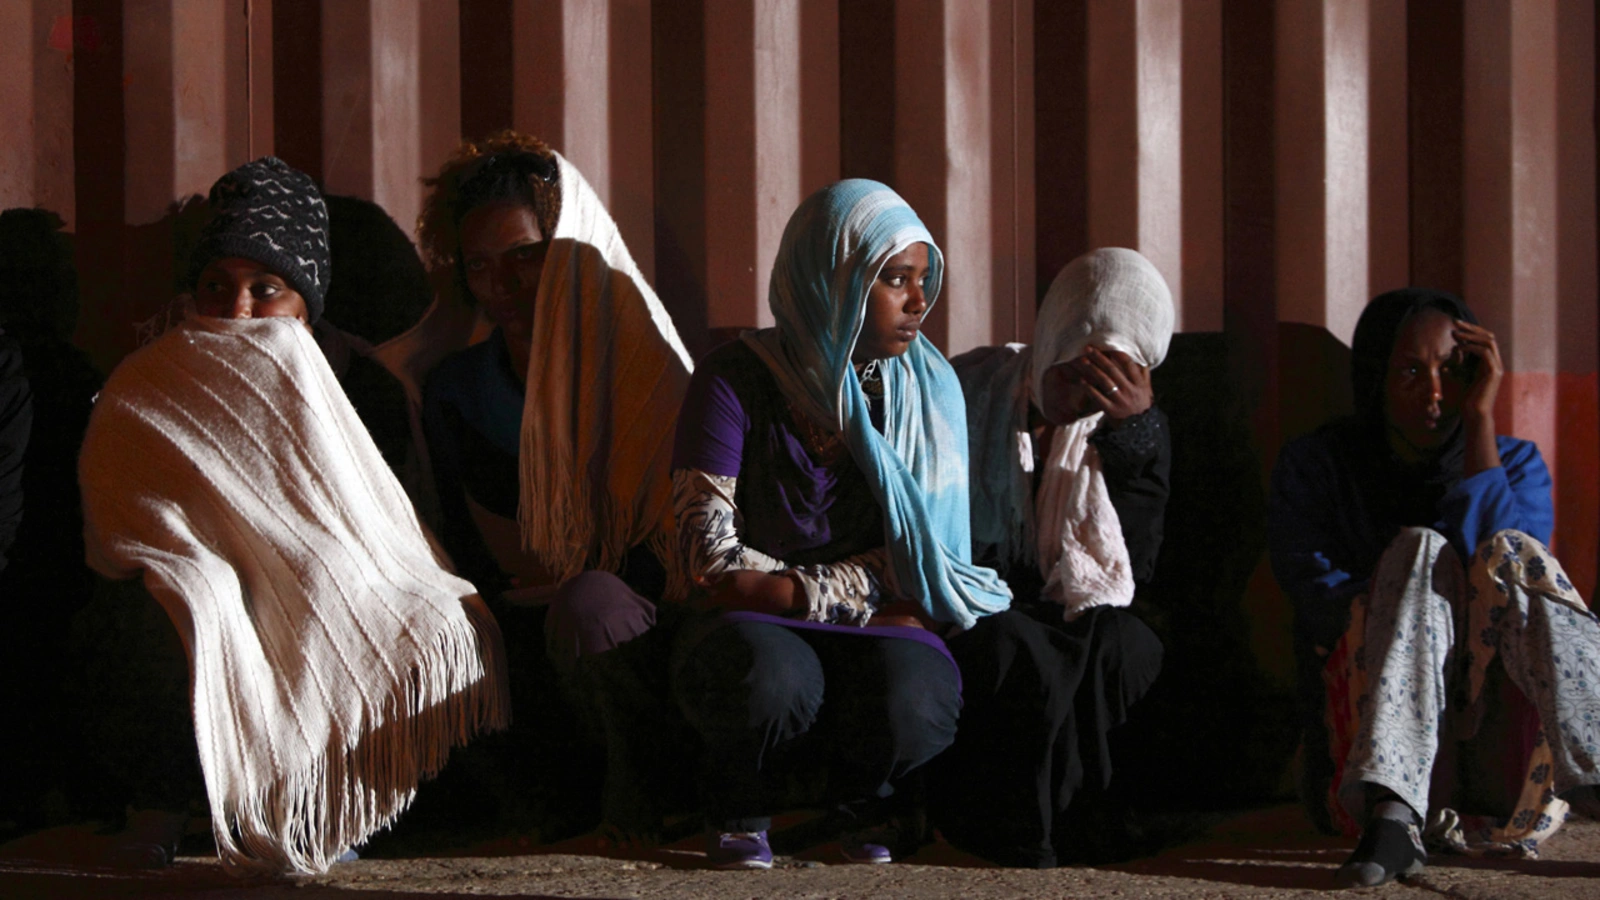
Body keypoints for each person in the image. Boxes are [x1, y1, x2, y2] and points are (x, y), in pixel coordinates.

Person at [77, 157, 508, 873]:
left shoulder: (358, 382)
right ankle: (160, 803)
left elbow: (387, 520)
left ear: (306, 303)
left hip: (330, 573)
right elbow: (121, 497)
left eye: (266, 291)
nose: (238, 311)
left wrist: (307, 558)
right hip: (192, 573)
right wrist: (192, 558)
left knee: (352, 588)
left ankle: (321, 800)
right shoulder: (153, 375)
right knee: (180, 598)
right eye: (217, 287)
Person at [670, 179, 1006, 868]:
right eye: (893, 279)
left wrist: (794, 592)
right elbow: (706, 557)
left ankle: (870, 806)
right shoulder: (734, 378)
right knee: (768, 677)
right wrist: (834, 592)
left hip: (845, 614)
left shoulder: (925, 391)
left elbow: (930, 557)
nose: (919, 302)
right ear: (830, 278)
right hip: (756, 624)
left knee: (915, 697)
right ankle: (740, 800)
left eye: (923, 279)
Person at [1269, 288, 1600, 887]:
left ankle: (1597, 770)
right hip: (1367, 763)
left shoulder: (1514, 465)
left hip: (1498, 762)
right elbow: (1319, 603)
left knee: (1516, 553)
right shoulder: (1318, 465)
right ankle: (1395, 814)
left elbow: (1510, 583)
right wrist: (1418, 595)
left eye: (1454, 371)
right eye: (1410, 372)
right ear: (1375, 376)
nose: (1436, 393)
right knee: (1419, 549)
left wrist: (1480, 423)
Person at [932, 247, 1171, 867]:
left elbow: (1131, 571)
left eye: (1109, 372)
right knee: (1013, 642)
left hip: (1076, 606)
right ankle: (1012, 825)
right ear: (1048, 343)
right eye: (1072, 368)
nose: (1085, 391)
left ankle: (1084, 819)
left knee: (1125, 644)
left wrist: (1131, 441)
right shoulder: (968, 392)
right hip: (977, 594)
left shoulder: (1133, 432)